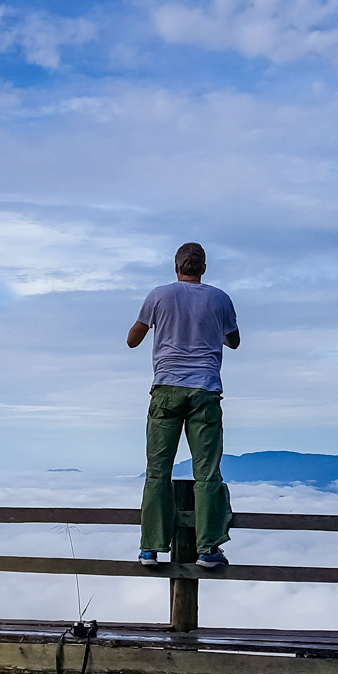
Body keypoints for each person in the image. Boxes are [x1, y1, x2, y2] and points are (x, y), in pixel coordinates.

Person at [127, 242, 239, 568]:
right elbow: (234, 341)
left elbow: (133, 340)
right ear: (203, 268)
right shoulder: (220, 298)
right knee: (207, 474)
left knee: (157, 472)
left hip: (165, 391)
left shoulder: (159, 295)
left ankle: (150, 547)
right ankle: (208, 548)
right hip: (204, 390)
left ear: (176, 266)